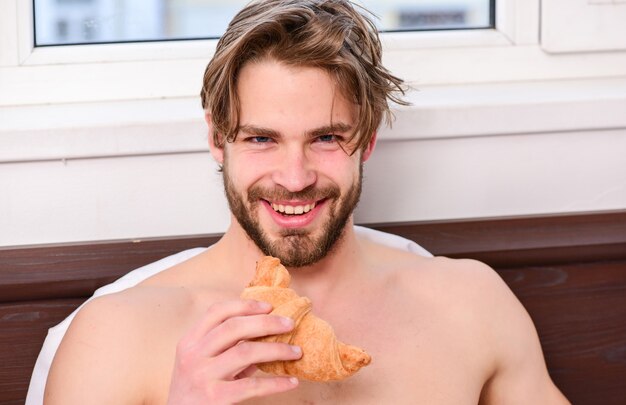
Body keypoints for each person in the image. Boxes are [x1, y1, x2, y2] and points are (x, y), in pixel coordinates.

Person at [43, 0, 570, 403]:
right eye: (261, 139)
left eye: (325, 138)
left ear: (366, 139)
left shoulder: (470, 304)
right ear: (216, 138)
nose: (294, 179)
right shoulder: (115, 335)